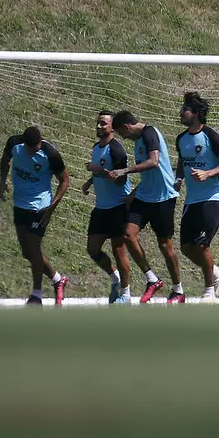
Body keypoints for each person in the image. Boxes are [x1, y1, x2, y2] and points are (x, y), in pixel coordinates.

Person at [109, 110, 184, 303]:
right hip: (144, 197)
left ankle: (178, 290)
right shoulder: (137, 144)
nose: (123, 138)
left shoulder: (149, 133)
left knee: (165, 246)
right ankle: (152, 279)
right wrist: (132, 195)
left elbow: (154, 162)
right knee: (128, 234)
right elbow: (147, 175)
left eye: (122, 133)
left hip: (163, 198)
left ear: (126, 127)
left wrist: (124, 170)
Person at [174, 92, 219, 302]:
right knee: (186, 247)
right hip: (192, 199)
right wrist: (179, 178)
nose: (182, 112)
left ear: (197, 113)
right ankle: (215, 271)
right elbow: (182, 161)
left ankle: (209, 290)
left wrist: (208, 173)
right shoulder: (181, 138)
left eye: (186, 109)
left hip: (212, 197)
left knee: (201, 245)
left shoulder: (212, 136)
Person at [0, 126, 70, 305]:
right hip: (20, 204)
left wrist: (52, 207)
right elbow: (5, 159)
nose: (35, 150)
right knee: (27, 252)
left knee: (33, 247)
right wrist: (2, 181)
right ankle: (57, 279)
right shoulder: (14, 143)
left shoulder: (50, 153)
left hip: (40, 207)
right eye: (31, 148)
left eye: (37, 146)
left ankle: (36, 294)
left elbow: (65, 180)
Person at [82, 111, 132, 304]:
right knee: (93, 248)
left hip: (118, 207)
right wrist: (90, 181)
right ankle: (115, 278)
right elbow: (101, 171)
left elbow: (121, 181)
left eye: (103, 123)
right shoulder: (96, 147)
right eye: (98, 123)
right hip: (101, 208)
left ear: (112, 127)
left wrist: (99, 171)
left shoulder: (117, 150)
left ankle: (126, 294)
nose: (99, 126)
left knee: (119, 252)